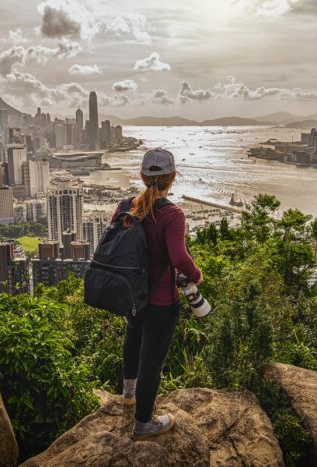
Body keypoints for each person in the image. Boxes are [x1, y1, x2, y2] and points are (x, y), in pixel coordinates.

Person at [111, 148, 203, 441]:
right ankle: (143, 423)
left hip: (131, 293)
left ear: (142, 176)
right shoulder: (173, 214)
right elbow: (179, 257)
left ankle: (128, 394)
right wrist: (197, 275)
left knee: (133, 337)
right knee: (152, 361)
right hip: (161, 299)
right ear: (172, 178)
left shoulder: (127, 204)